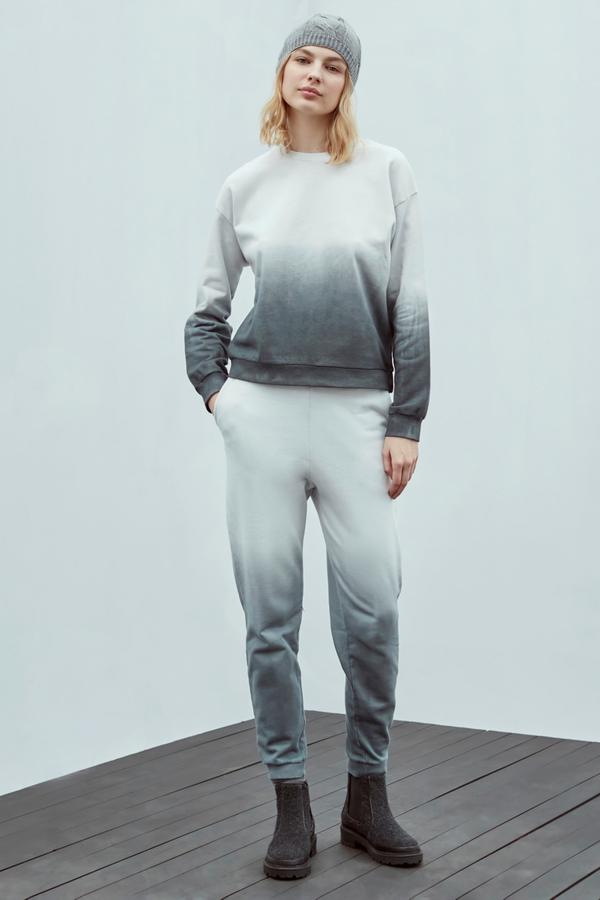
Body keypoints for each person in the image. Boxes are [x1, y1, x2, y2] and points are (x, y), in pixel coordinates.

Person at [184, 12, 429, 880]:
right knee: (270, 619)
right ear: (282, 75)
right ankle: (291, 803)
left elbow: (410, 306)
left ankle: (368, 795)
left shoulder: (386, 172)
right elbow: (206, 309)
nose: (315, 74)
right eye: (302, 59)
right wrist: (222, 398)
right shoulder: (245, 185)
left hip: (358, 415)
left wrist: (405, 421)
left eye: (332, 64)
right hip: (263, 419)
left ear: (347, 83)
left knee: (374, 612)